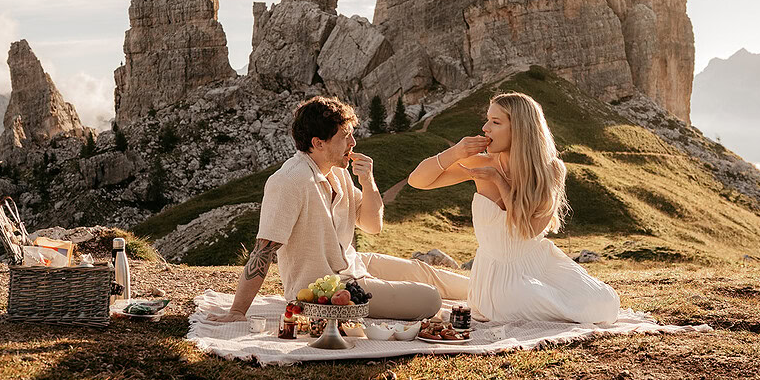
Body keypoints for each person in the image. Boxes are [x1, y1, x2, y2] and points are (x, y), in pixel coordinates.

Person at [208, 96, 468, 322]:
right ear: (318, 143)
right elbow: (262, 253)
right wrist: (238, 311)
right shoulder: (288, 182)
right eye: (345, 136)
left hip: (353, 264)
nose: (353, 142)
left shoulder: (337, 173)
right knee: (429, 299)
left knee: (423, 272)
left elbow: (372, 225)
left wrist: (368, 182)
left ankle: (496, 293)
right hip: (327, 287)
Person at [408, 91, 620, 324]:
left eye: (495, 122)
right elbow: (418, 181)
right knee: (518, 299)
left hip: (539, 262)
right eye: (487, 119)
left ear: (519, 129)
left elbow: (528, 231)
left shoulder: (551, 171)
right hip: (497, 275)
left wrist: (500, 182)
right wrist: (455, 153)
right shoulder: (481, 163)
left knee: (603, 303)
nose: (485, 128)